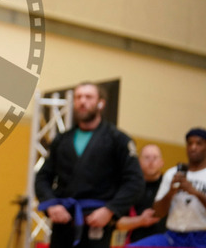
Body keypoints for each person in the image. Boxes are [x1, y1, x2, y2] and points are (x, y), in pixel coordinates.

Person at [34, 82, 144, 248]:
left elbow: (135, 181)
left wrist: (110, 210)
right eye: (78, 97)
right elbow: (42, 177)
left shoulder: (118, 140)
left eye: (88, 97)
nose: (82, 101)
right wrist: (51, 204)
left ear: (101, 103)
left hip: (97, 222)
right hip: (63, 222)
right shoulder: (62, 140)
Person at [128, 127, 206, 247]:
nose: (193, 147)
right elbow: (158, 213)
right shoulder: (172, 173)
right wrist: (171, 192)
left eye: (199, 143)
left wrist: (194, 192)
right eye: (190, 143)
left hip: (201, 237)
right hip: (172, 236)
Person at [116, 144, 166, 243]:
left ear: (162, 162)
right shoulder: (129, 187)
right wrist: (141, 220)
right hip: (136, 242)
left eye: (155, 158)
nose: (151, 162)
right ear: (138, 162)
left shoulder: (170, 186)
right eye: (147, 157)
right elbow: (118, 223)